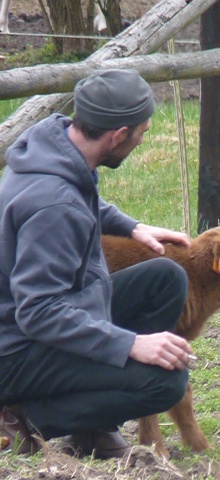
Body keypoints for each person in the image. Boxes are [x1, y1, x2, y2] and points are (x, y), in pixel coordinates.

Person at [0, 69, 195, 458]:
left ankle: (94, 426)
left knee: (166, 277)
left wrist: (131, 226)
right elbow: (39, 312)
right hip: (15, 353)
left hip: (33, 327)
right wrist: (131, 344)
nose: (143, 139)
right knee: (165, 383)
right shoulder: (55, 207)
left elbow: (80, 195)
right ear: (118, 136)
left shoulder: (55, 148)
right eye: (142, 132)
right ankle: (23, 418)